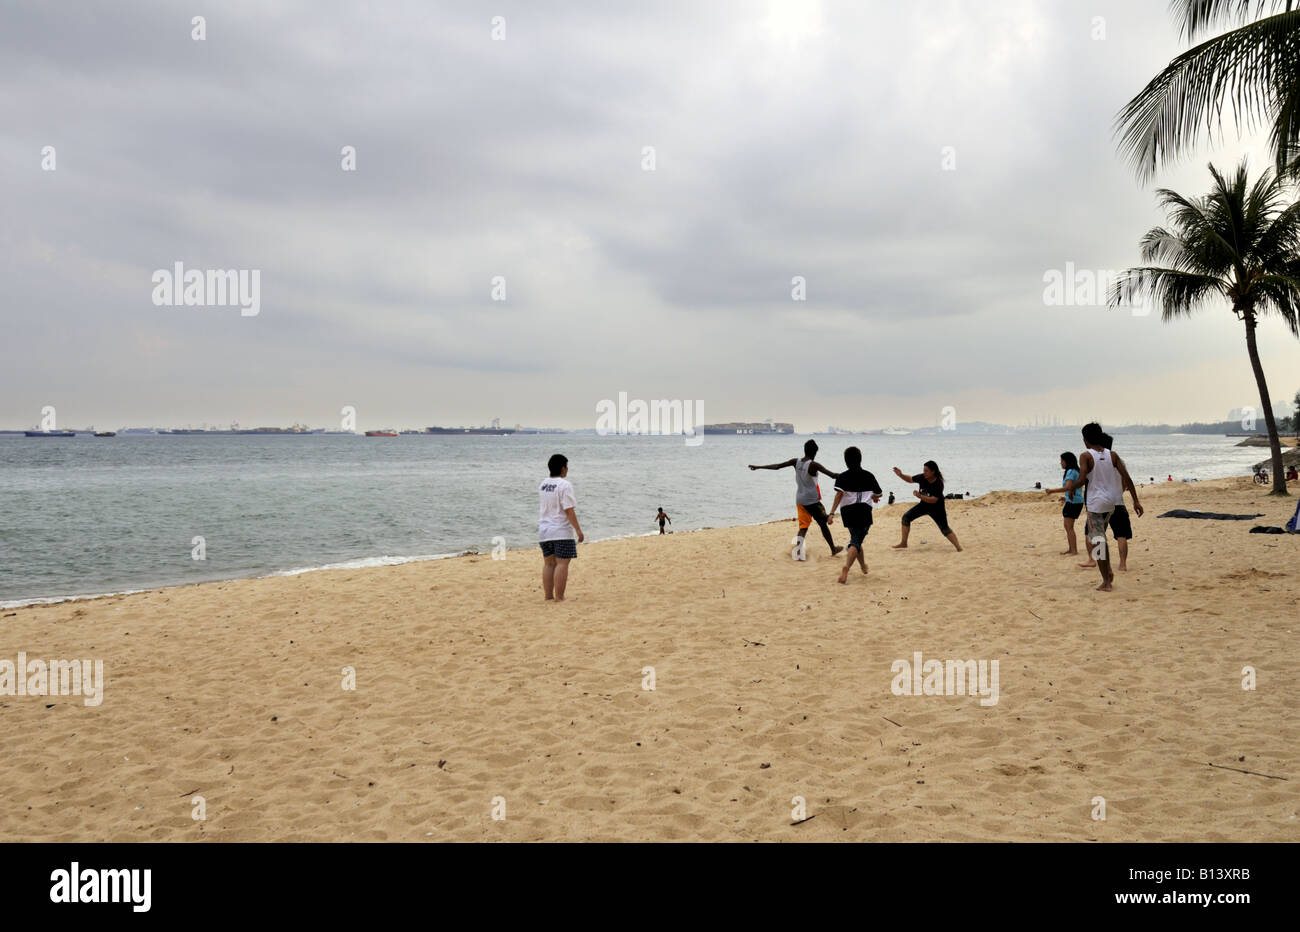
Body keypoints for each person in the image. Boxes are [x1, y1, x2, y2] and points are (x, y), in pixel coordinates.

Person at [750, 440, 843, 557]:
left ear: (805, 450)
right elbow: (832, 475)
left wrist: (758, 467)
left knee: (803, 527)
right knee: (823, 523)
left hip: (800, 500)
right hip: (812, 501)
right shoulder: (814, 465)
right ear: (814, 452)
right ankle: (833, 549)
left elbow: (777, 466)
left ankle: (798, 552)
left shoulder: (796, 462)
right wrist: (848, 475)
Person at [1074, 423, 1138, 591]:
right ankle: (1108, 571)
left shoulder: (1085, 455)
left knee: (1098, 541)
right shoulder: (1113, 455)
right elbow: (1128, 479)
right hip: (1112, 503)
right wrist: (1136, 501)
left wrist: (1071, 488)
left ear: (1085, 439)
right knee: (1101, 539)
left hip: (1096, 504)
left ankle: (1106, 582)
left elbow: (1081, 479)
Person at [829, 446, 883, 584]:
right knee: (856, 542)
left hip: (848, 513)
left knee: (856, 539)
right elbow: (879, 493)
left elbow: (839, 494)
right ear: (860, 459)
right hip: (863, 512)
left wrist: (831, 513)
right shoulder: (869, 475)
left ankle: (863, 565)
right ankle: (846, 567)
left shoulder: (842, 477)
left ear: (846, 461)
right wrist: (874, 496)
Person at [538, 453, 584, 601]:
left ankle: (548, 596)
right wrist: (578, 530)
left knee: (549, 564)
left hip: (544, 530)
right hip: (561, 531)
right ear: (563, 468)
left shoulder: (543, 484)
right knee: (562, 563)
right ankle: (559, 597)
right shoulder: (565, 485)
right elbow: (569, 510)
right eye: (566, 466)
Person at [891, 461, 962, 551]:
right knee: (906, 518)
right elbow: (910, 479)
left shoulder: (938, 483)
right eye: (924, 470)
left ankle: (959, 548)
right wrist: (901, 475)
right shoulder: (922, 477)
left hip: (937, 508)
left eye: (926, 471)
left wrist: (919, 496)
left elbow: (934, 500)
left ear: (933, 472)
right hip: (923, 506)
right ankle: (904, 543)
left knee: (944, 529)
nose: (924, 472)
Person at [1042, 451, 1084, 555]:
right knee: (1068, 526)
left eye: (1062, 461)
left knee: (1069, 527)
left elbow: (1068, 487)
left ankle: (1073, 550)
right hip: (1075, 500)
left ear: (1067, 461)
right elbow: (1073, 488)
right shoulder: (1075, 471)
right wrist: (1065, 497)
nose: (1060, 463)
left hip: (1074, 502)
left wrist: (1052, 491)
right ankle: (1071, 549)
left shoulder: (1071, 471)